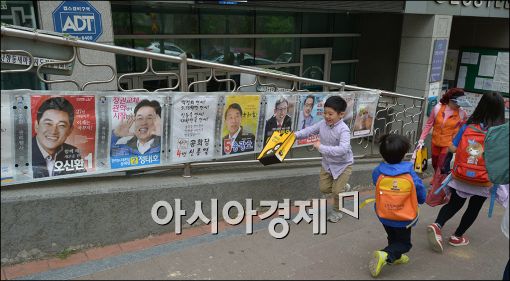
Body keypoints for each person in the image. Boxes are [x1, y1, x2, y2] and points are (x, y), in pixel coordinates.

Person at [427, 92, 506, 253]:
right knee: (474, 207)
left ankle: (437, 225)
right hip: (484, 178)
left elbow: (453, 148)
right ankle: (457, 236)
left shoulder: (468, 126)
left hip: (462, 174)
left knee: (455, 203)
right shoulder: (500, 132)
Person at [368, 134, 426, 277]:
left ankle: (396, 257)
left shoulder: (378, 171)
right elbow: (419, 190)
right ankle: (386, 254)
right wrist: (422, 199)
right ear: (403, 154)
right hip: (404, 217)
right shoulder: (409, 172)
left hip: (384, 213)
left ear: (382, 154)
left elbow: (376, 183)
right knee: (405, 244)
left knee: (392, 236)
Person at [294, 95, 353, 223]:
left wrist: (321, 147)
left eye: (330, 114)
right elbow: (309, 130)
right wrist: (294, 136)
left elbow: (343, 149)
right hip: (327, 164)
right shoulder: (322, 124)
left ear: (341, 114)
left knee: (336, 192)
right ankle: (343, 187)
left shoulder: (344, 130)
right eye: (325, 113)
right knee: (324, 189)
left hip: (343, 165)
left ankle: (337, 212)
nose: (327, 116)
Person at [418, 88, 470, 176]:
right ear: (450, 100)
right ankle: (437, 179)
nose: (459, 105)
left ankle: (436, 183)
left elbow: (463, 130)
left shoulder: (462, 113)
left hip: (449, 144)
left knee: (441, 165)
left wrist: (459, 144)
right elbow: (429, 124)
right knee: (435, 164)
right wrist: (421, 139)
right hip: (435, 142)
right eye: (456, 103)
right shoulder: (437, 108)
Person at [32, 97, 85, 178]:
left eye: (61, 125)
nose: (53, 131)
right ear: (36, 126)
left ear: (70, 130)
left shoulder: (72, 152)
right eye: (48, 124)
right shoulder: (23, 152)